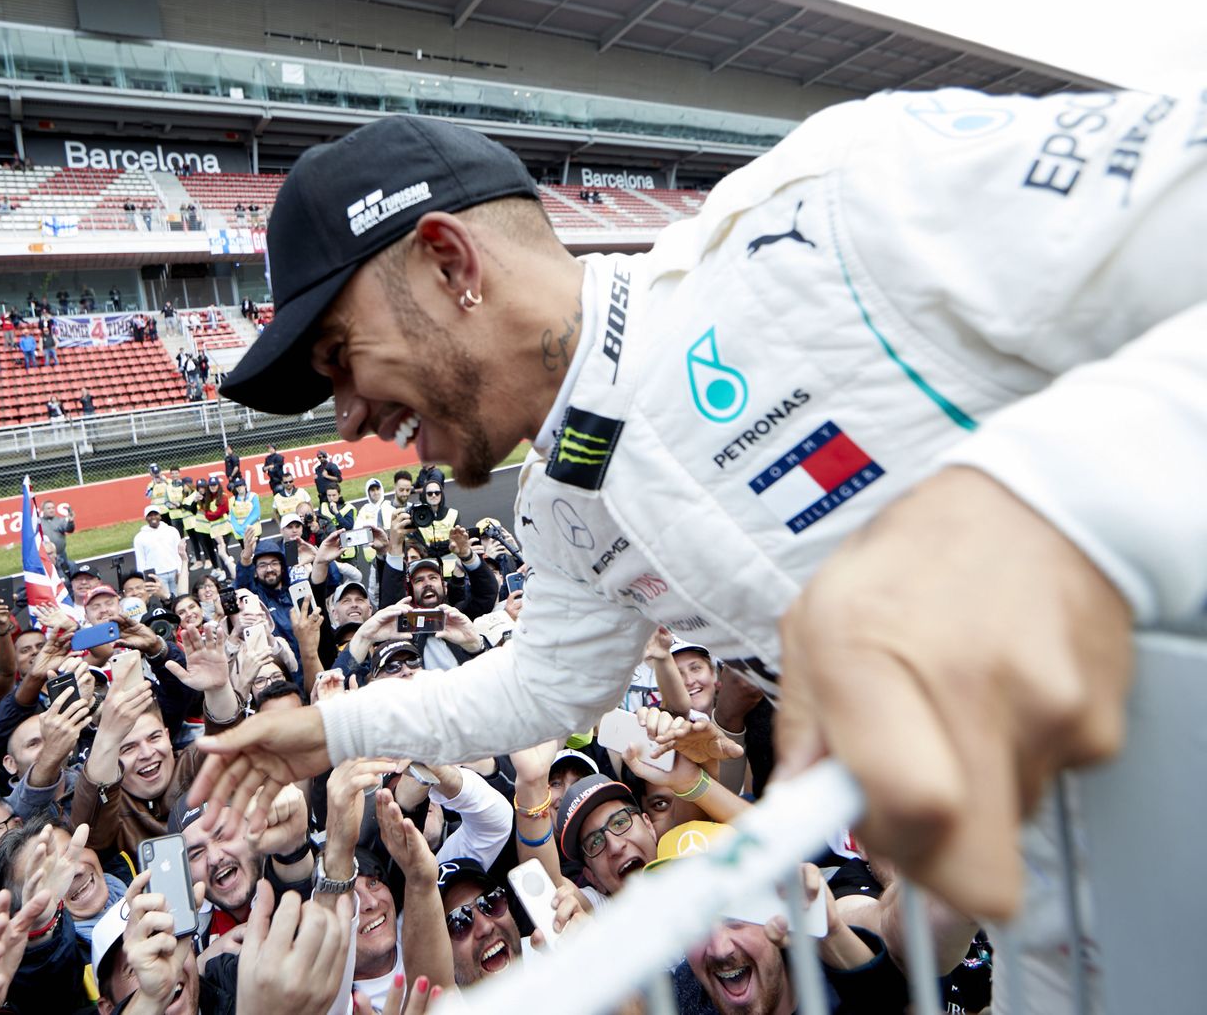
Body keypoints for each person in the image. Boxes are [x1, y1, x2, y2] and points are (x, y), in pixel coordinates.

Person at [199, 94, 1207, 934]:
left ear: (452, 264)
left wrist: (1025, 510)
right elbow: (543, 688)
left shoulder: (827, 209)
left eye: (341, 357)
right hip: (1087, 919)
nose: (347, 418)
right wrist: (333, 726)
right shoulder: (560, 504)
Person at [132, 506, 186, 596]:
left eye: (155, 514)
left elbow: (178, 552)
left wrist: (180, 571)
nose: (153, 517)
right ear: (146, 518)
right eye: (150, 515)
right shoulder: (139, 537)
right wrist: (144, 579)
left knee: (180, 597)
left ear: (160, 516)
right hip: (157, 575)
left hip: (174, 572)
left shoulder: (172, 531)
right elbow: (141, 560)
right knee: (164, 601)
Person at [39, 498, 75, 576]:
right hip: (47, 556)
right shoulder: (39, 523)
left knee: (71, 567)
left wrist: (71, 521)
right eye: (48, 508)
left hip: (61, 554)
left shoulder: (60, 521)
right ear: (43, 510)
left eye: (53, 508)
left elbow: (69, 529)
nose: (51, 510)